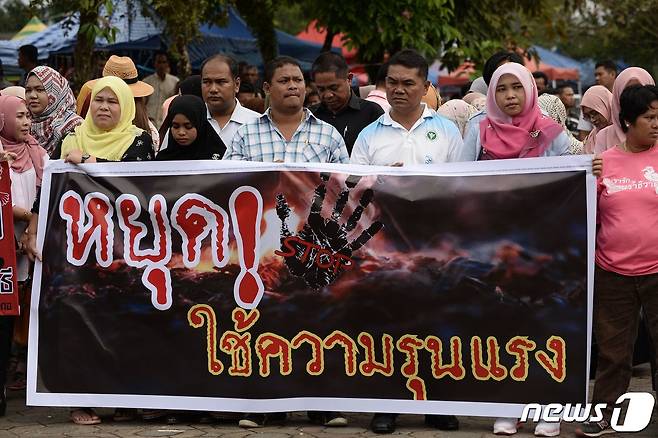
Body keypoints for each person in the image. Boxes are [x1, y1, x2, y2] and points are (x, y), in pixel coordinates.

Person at [351, 49, 463, 435]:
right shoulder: (368, 136)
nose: (399, 90)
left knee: (438, 324)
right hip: (385, 246)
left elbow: (462, 189)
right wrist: (379, 181)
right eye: (392, 83)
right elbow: (352, 195)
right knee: (388, 325)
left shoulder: (448, 132)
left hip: (435, 243)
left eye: (408, 83)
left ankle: (439, 407)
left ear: (426, 87)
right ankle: (387, 406)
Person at [575, 84, 658, 437]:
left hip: (657, 272)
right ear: (627, 121)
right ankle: (604, 413)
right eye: (650, 118)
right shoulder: (601, 164)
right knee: (612, 351)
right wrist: (587, 178)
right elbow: (582, 212)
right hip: (612, 272)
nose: (657, 124)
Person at [0, 95, 48, 397]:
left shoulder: (38, 152)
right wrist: (25, 216)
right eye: (18, 116)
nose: (26, 121)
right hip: (5, 247)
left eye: (27, 116)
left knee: (31, 310)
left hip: (32, 242)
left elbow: (45, 192)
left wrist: (32, 225)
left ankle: (30, 378)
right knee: (5, 315)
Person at [225, 56, 348, 164]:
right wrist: (267, 176)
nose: (293, 86)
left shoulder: (329, 134)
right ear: (267, 88)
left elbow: (344, 185)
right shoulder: (245, 135)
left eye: (298, 80)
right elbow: (229, 183)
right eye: (284, 81)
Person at [462, 63, 571, 162]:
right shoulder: (479, 131)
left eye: (517, 87)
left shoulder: (550, 132)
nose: (510, 95)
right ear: (492, 94)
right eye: (501, 89)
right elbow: (462, 175)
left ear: (529, 89)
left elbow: (569, 174)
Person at [311, 52, 384, 153]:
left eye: (334, 88)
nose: (328, 95)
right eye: (321, 89)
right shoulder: (311, 116)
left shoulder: (372, 113)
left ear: (349, 79)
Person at [200, 55, 261, 147]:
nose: (213, 89)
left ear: (236, 84)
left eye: (221, 82)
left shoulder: (258, 124)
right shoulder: (186, 123)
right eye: (207, 82)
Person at [25, 66, 83, 157]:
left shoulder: (74, 126)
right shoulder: (24, 124)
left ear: (55, 92)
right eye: (28, 90)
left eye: (39, 90)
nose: (32, 95)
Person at [595, 67, 655, 153]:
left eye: (639, 90)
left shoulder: (655, 130)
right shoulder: (604, 136)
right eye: (628, 91)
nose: (635, 97)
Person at [156, 95, 226, 161]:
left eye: (188, 126)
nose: (181, 132)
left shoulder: (219, 157)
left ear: (200, 125)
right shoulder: (162, 160)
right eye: (175, 126)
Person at [143, 51, 179, 128]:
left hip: (167, 123)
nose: (161, 65)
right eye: (159, 62)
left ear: (167, 64)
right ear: (155, 64)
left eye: (164, 62)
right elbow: (142, 104)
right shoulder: (147, 82)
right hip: (149, 122)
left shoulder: (175, 82)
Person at [580, 85, 613, 154]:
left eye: (595, 113)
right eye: (588, 116)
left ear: (606, 106)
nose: (592, 120)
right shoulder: (591, 139)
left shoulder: (626, 133)